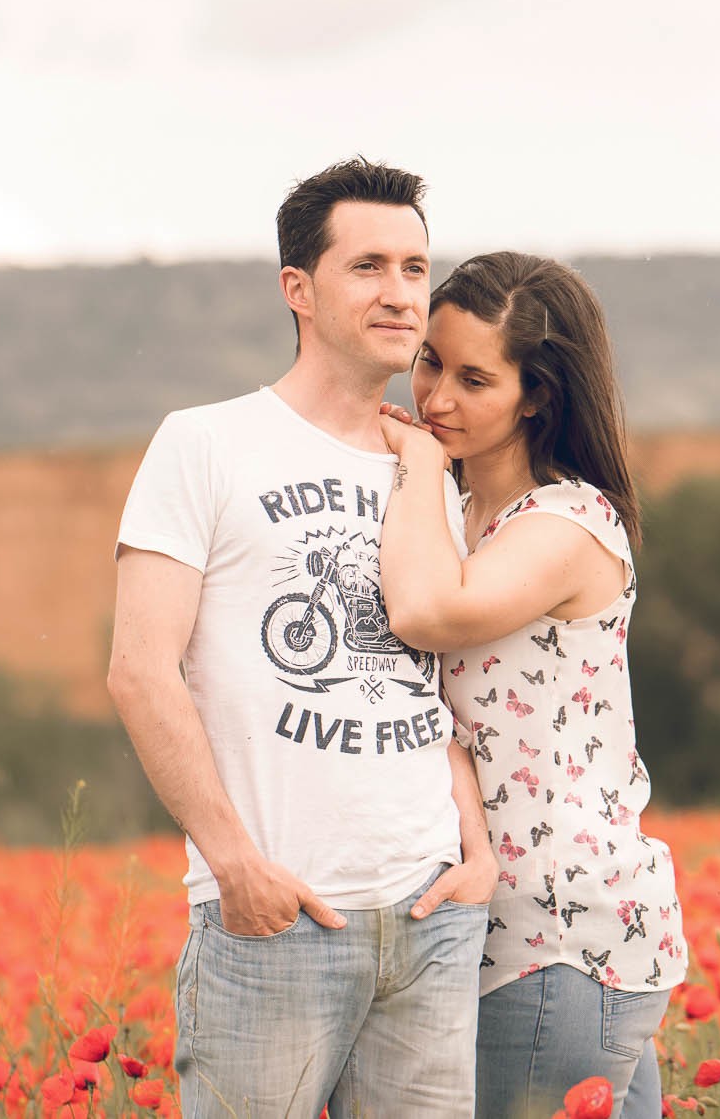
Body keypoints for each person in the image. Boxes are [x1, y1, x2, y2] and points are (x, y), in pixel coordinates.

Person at [106, 158, 496, 1119]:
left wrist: (475, 851)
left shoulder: (430, 467)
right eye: (368, 267)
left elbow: (434, 679)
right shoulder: (204, 444)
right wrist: (234, 863)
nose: (401, 294)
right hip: (276, 922)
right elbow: (139, 672)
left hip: (431, 917)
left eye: (415, 268)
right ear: (299, 289)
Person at [376, 252, 688, 1119]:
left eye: (475, 378)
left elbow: (429, 611)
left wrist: (409, 462)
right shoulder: (462, 517)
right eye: (431, 359)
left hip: (552, 931)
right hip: (524, 930)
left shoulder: (569, 522)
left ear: (538, 396)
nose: (436, 397)